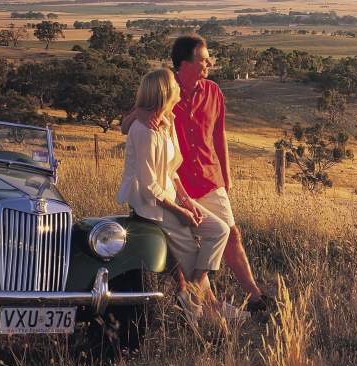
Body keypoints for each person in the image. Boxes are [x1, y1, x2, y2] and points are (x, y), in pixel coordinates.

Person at [121, 33, 275, 314]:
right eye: (204, 59)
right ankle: (205, 303)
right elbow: (128, 124)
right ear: (185, 63)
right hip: (174, 184)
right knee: (188, 249)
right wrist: (139, 115)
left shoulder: (213, 91)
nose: (209, 64)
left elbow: (219, 134)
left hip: (208, 178)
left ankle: (254, 297)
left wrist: (226, 176)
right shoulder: (166, 91)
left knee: (230, 233)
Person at [117, 68, 245, 323]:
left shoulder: (168, 120)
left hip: (171, 196)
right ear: (165, 92)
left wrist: (187, 202)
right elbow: (149, 187)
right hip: (152, 205)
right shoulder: (143, 131)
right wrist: (180, 212)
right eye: (174, 85)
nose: (178, 88)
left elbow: (172, 170)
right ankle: (207, 307)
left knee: (219, 230)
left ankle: (193, 294)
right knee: (192, 256)